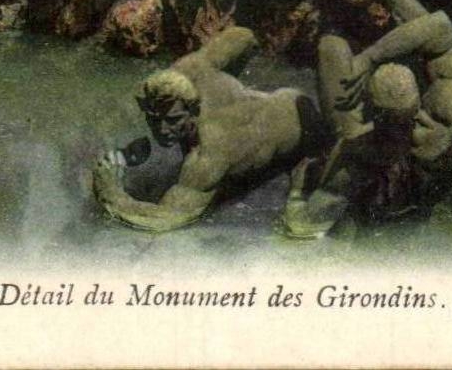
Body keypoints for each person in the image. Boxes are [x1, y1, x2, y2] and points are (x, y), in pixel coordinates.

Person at [281, 0, 452, 237]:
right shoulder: (445, 105)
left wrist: (296, 192)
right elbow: (441, 28)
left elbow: (304, 225)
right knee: (426, 32)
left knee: (332, 47)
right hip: (422, 183)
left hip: (388, 182)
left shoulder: (365, 146)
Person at [91, 26, 318, 232]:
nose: (161, 130)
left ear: (194, 111)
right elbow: (245, 37)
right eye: (153, 119)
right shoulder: (191, 68)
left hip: (306, 136)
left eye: (172, 120)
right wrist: (233, 89)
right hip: (283, 99)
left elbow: (164, 219)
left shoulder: (207, 156)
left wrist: (110, 191)